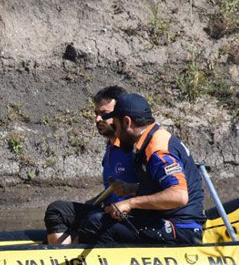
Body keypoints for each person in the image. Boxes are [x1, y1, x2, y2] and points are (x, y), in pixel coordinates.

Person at [78, 93, 205, 245]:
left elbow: (179, 195)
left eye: (116, 126)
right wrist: (130, 189)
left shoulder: (157, 150)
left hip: (182, 230)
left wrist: (130, 203)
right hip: (170, 223)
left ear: (127, 122)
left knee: (96, 223)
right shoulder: (152, 138)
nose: (115, 131)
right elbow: (159, 186)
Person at [44, 85, 136, 244]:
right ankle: (60, 252)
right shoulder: (110, 146)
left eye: (104, 114)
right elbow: (113, 189)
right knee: (57, 211)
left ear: (121, 114)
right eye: (96, 114)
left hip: (129, 219)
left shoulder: (134, 148)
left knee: (89, 220)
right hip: (107, 211)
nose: (98, 119)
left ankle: (65, 257)